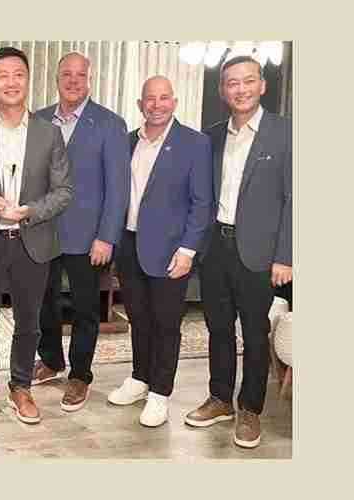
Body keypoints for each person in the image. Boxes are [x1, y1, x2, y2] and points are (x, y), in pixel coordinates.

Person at [184, 56, 292, 449]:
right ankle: (220, 399)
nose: (241, 89)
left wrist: (286, 255)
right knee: (218, 327)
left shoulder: (286, 133)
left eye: (248, 81)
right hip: (215, 246)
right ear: (222, 90)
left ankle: (250, 409)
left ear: (262, 85)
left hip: (260, 252)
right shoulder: (210, 136)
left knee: (255, 333)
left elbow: (295, 198)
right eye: (232, 83)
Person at [0, 46, 73, 427]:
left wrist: (28, 211)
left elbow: (64, 191)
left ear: (28, 80)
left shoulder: (49, 133)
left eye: (18, 75)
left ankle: (21, 386)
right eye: (3, 75)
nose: (11, 82)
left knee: (30, 322)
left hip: (33, 240)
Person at [106, 76, 213, 427]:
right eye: (150, 99)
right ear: (140, 104)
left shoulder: (194, 143)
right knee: (138, 318)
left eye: (164, 97)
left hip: (171, 250)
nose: (157, 105)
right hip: (130, 244)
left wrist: (188, 250)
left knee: (166, 324)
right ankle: (140, 378)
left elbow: (202, 203)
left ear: (174, 102)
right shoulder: (127, 142)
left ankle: (160, 393)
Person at [33, 52, 130, 412]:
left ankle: (80, 375)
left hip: (89, 237)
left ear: (90, 79)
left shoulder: (110, 124)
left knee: (85, 308)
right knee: (43, 302)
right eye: (66, 74)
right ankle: (51, 360)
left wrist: (107, 236)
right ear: (56, 78)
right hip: (42, 231)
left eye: (80, 75)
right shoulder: (38, 119)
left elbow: (118, 187)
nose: (73, 81)